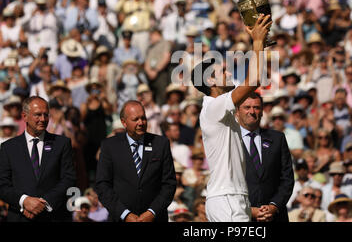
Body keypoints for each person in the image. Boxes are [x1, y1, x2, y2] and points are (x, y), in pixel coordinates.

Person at [192, 14, 271, 222]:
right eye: (222, 71)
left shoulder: (220, 108)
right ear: (210, 80)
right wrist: (257, 41)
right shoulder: (213, 106)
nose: (228, 73)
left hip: (234, 198)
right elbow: (254, 80)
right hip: (227, 199)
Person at [95, 100, 176, 222]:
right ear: (124, 122)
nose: (141, 123)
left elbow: (169, 184)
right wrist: (125, 214)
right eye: (135, 119)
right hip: (120, 218)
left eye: (143, 118)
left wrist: (152, 212)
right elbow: (103, 186)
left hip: (155, 218)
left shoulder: (161, 144)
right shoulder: (109, 146)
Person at [0, 96, 76, 221]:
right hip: (20, 216)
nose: (43, 119)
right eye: (37, 115)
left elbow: (69, 179)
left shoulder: (61, 144)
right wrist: (24, 201)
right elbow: (2, 184)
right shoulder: (9, 148)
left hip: (53, 216)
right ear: (24, 116)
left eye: (46, 115)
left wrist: (44, 203)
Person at [235, 93, 294, 222]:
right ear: (237, 111)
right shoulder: (230, 140)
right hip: (242, 217)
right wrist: (249, 210)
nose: (252, 111)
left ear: (262, 112)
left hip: (275, 217)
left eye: (256, 107)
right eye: (247, 107)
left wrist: (274, 206)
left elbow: (287, 178)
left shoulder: (278, 138)